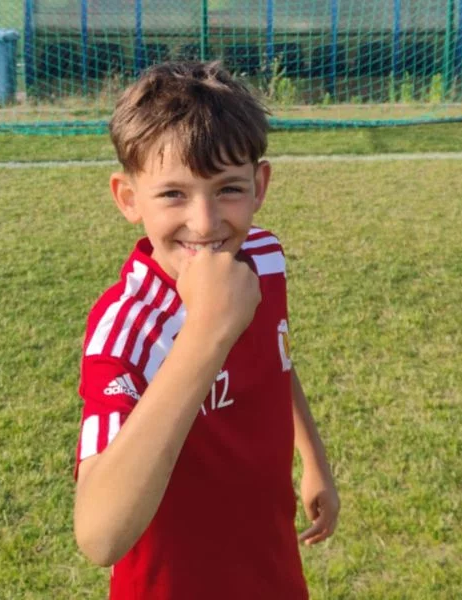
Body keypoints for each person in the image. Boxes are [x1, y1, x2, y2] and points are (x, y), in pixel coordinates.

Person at [73, 61, 340, 599]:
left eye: (228, 189)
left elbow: (276, 360)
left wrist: (313, 459)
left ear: (259, 186)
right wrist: (205, 335)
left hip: (270, 568)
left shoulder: (263, 257)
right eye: (173, 194)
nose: (204, 222)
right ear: (128, 198)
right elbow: (100, 537)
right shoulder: (128, 328)